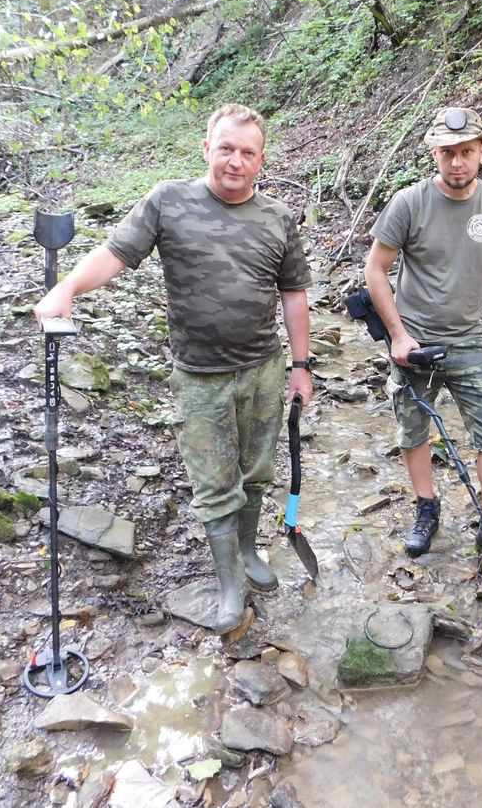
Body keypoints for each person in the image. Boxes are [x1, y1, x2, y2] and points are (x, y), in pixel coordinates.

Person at [34, 103, 312, 632]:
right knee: (214, 482)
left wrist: (301, 365)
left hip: (264, 367)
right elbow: (115, 254)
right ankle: (230, 582)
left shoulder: (278, 218)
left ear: (261, 159)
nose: (235, 161)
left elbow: (293, 293)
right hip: (200, 373)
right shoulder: (169, 201)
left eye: (247, 152)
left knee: (257, 470)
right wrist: (66, 287)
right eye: (225, 148)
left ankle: (249, 552)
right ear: (207, 148)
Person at [363, 106, 482, 576]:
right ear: (434, 154)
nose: (457, 162)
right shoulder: (408, 203)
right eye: (447, 152)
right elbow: (375, 269)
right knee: (412, 430)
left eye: (466, 151)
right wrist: (399, 336)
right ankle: (427, 507)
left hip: (468, 340)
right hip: (414, 343)